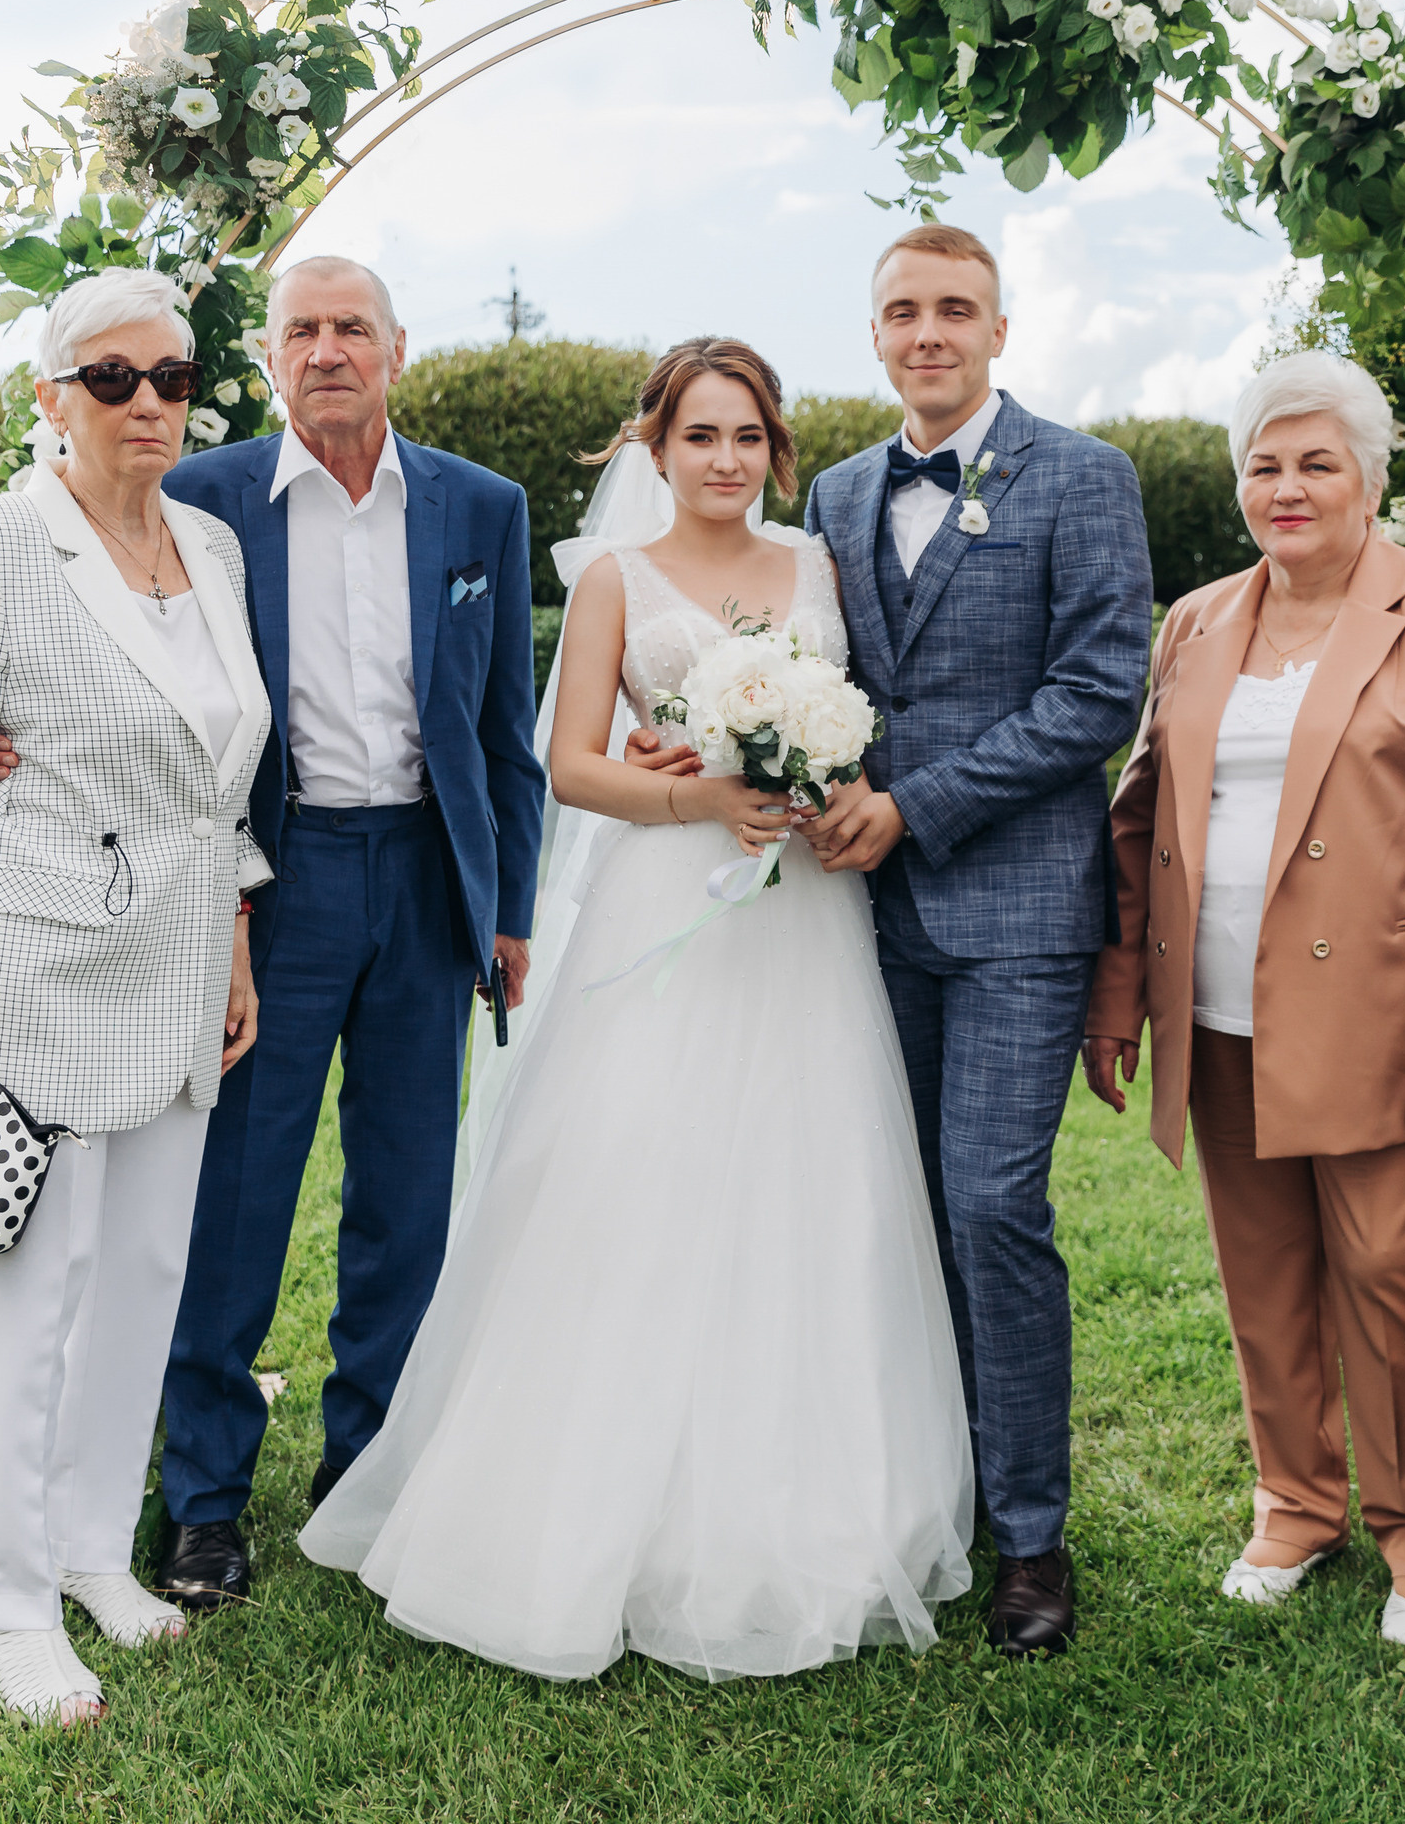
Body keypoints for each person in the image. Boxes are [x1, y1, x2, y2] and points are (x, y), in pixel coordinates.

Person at [300, 338, 973, 1681]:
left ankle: (812, 1494)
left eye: (744, 437)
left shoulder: (820, 570)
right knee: (638, 1180)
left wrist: (823, 784)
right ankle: (582, 1499)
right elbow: (568, 765)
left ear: (774, 451)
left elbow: (862, 721)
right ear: (654, 450)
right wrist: (696, 796)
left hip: (800, 918)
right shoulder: (612, 578)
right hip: (668, 901)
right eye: (698, 436)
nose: (722, 460)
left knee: (805, 1184)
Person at [0, 256, 548, 1608]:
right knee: (235, 1197)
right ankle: (203, 1503)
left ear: (397, 350)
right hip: (261, 889)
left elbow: (503, 733)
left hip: (426, 880)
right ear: (269, 361)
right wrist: (12, 726)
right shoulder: (204, 497)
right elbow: (86, 616)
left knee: (406, 1198)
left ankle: (373, 1475)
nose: (330, 349)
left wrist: (510, 908)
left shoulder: (482, 508)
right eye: (303, 330)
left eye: (354, 326)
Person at [1080, 353, 1405, 1649]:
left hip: (1388, 1024)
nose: (1287, 488)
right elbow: (1137, 824)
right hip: (1218, 1013)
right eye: (1264, 466)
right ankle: (1294, 1503)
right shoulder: (1200, 622)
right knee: (1263, 1278)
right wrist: (1119, 997)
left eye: (1316, 462)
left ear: (1371, 477)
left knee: (1396, 1280)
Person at [0, 267, 272, 1724]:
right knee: (35, 1293)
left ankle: (98, 1550)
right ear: (53, 399)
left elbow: (213, 772)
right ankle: (8, 1602)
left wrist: (232, 933)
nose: (147, 401)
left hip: (177, 967)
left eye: (169, 375)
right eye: (112, 378)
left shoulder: (215, 550)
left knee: (143, 1279)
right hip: (34, 966)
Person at [801, 224, 1152, 1655]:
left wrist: (916, 806)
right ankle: (918, 1498)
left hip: (1015, 911)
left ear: (1000, 329)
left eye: (957, 309)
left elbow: (1098, 694)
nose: (929, 331)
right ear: (875, 333)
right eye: (903, 310)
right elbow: (805, 672)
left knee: (993, 1210)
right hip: (854, 922)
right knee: (886, 1215)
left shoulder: (1085, 478)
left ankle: (1030, 1540)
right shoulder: (829, 493)